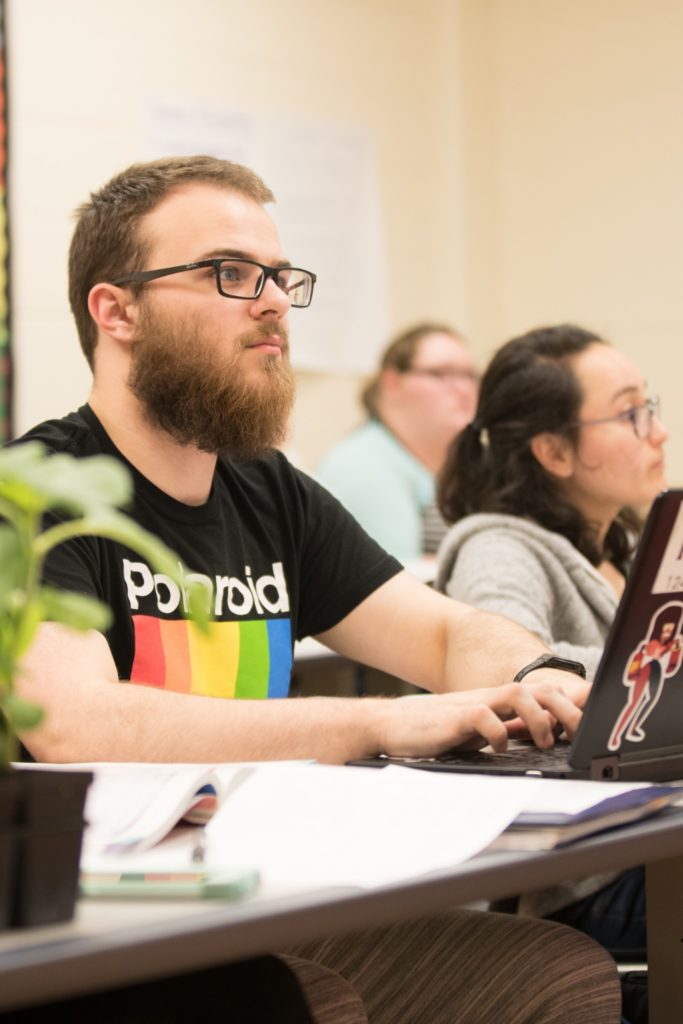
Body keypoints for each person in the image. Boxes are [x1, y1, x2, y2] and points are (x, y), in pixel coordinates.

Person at [10, 159, 621, 1024]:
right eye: (229, 273)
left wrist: (539, 671)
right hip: (104, 926)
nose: (271, 303)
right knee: (301, 1001)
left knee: (549, 974)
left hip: (259, 889)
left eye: (278, 277)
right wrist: (373, 720)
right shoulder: (37, 493)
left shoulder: (267, 489)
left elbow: (443, 637)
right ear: (116, 311)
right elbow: (79, 724)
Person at [435, 322, 668, 1021]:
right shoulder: (496, 546)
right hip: (578, 883)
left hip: (644, 843)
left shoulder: (622, 551)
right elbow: (506, 674)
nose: (655, 432)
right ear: (554, 451)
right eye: (630, 413)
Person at [316, 323, 478, 562]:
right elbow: (393, 578)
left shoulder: (468, 459)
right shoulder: (361, 465)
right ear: (391, 383)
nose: (463, 388)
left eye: (470, 375)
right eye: (441, 373)